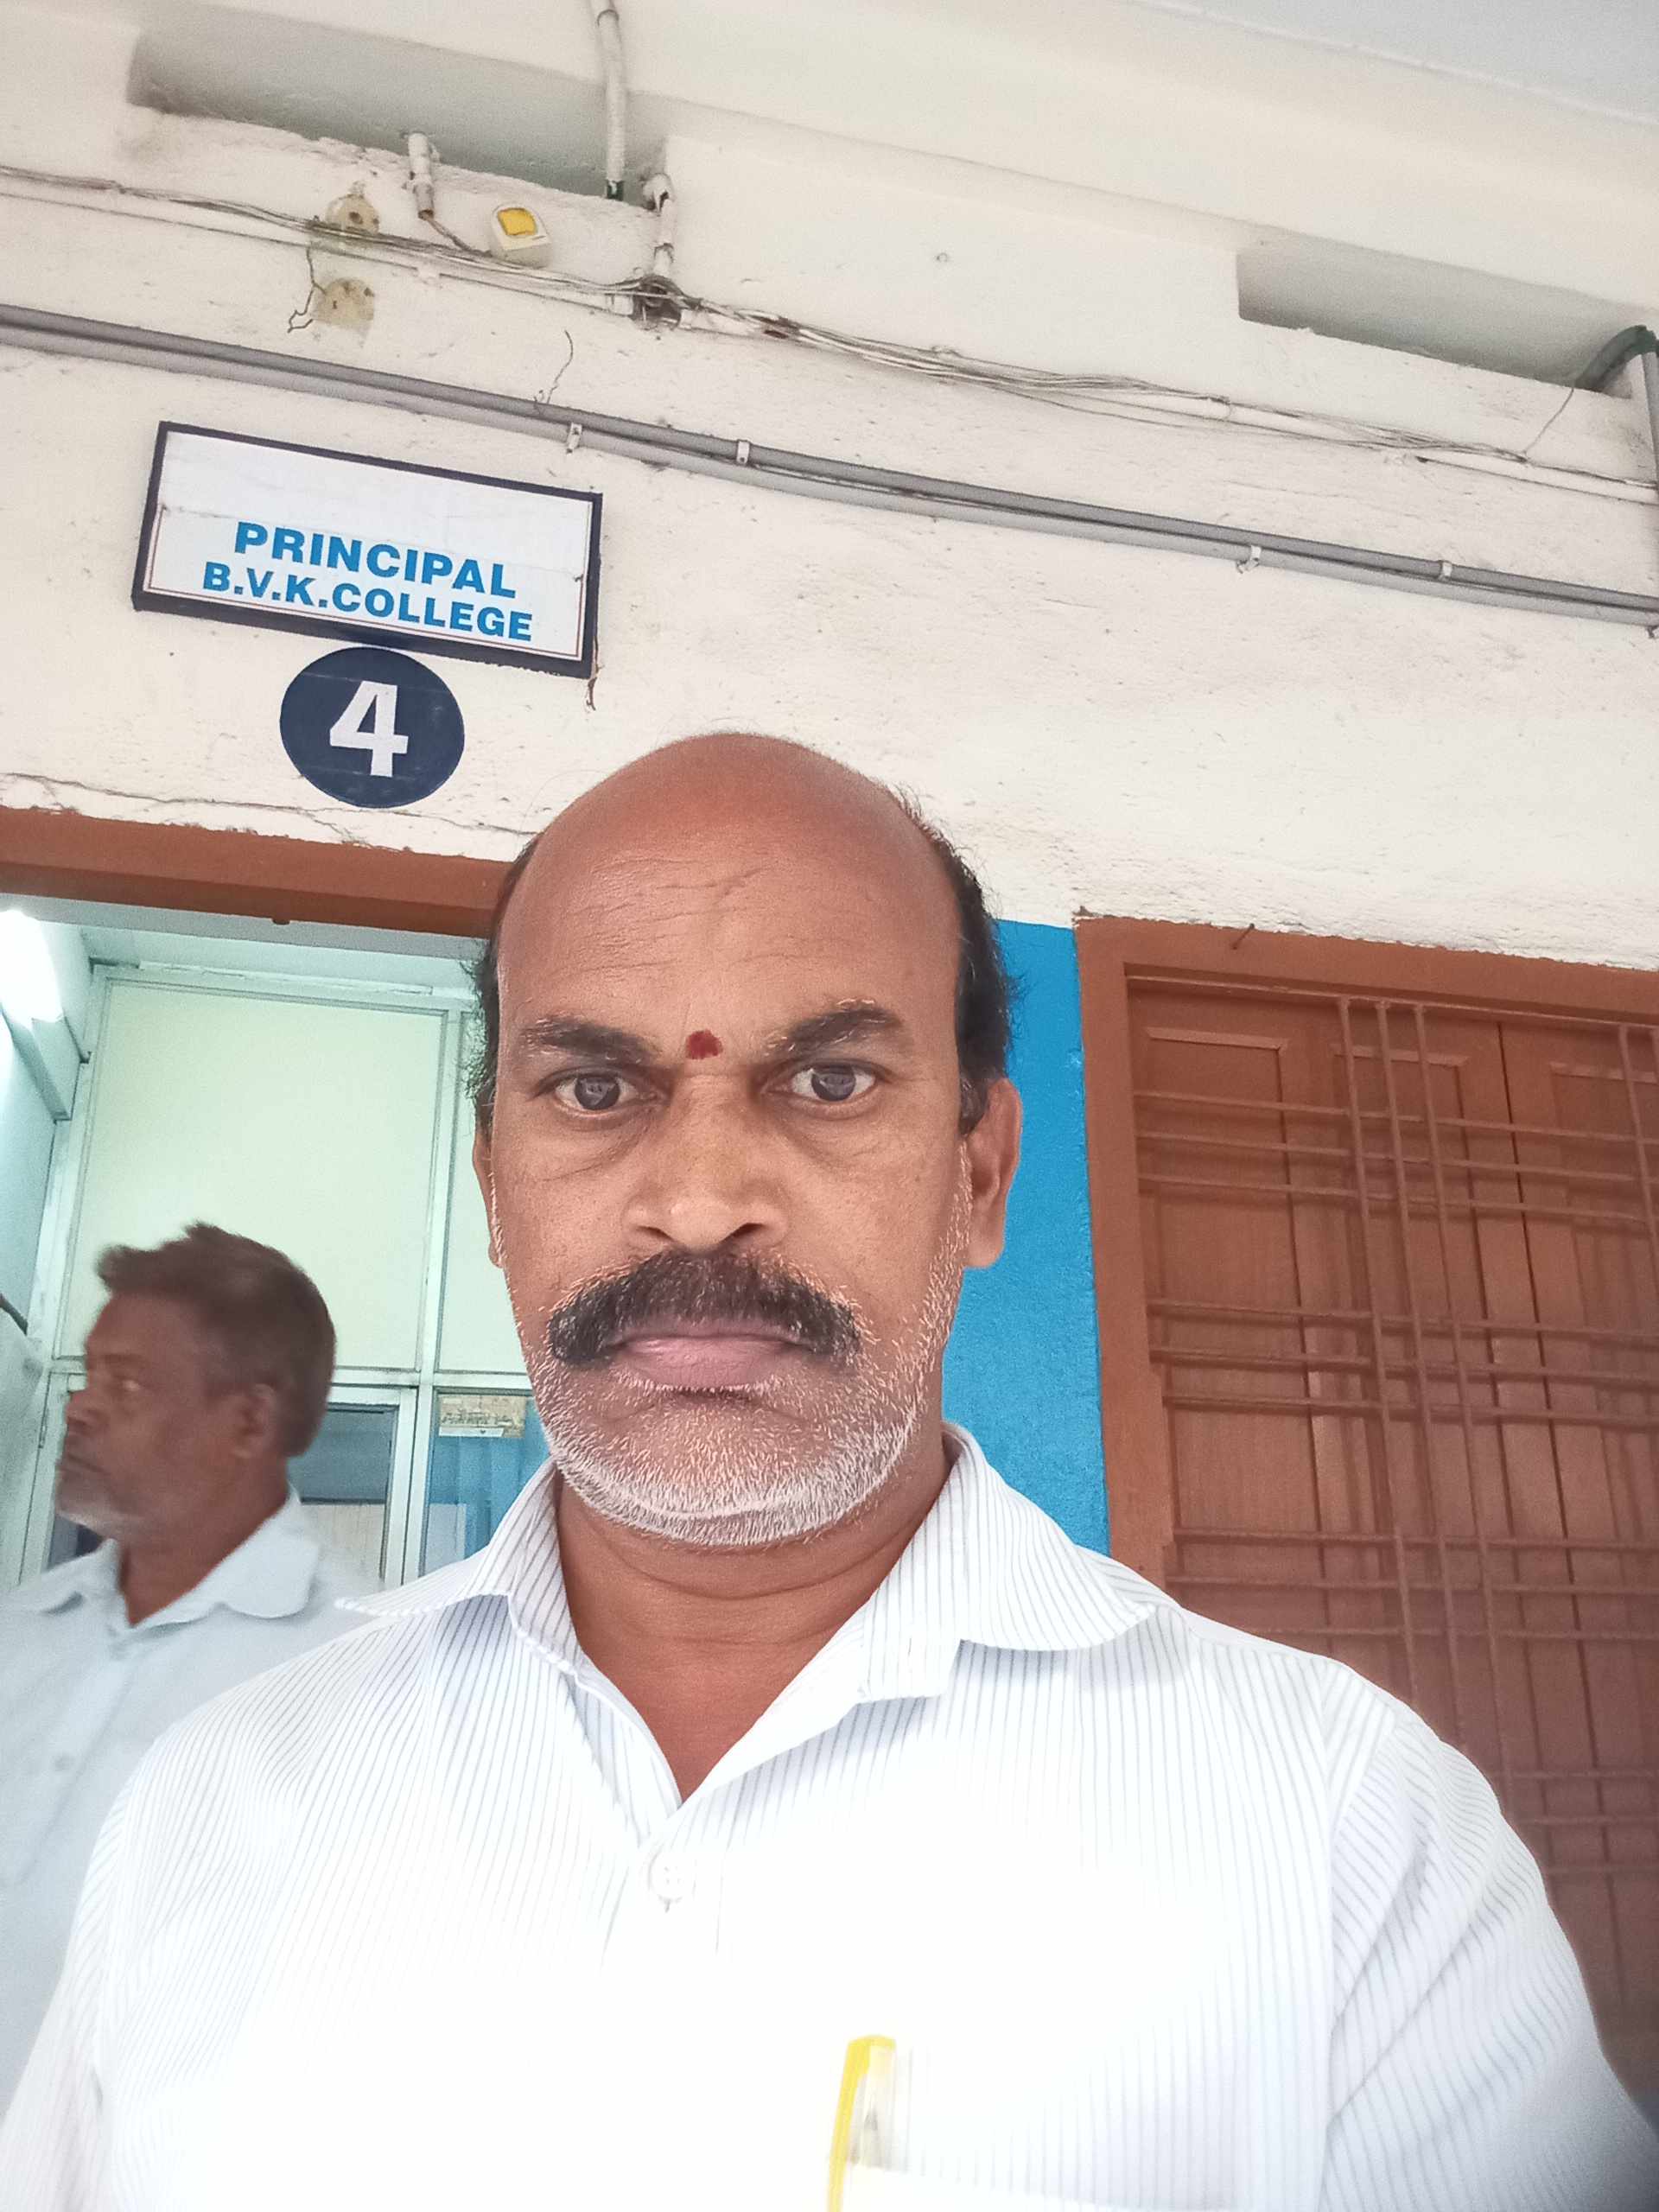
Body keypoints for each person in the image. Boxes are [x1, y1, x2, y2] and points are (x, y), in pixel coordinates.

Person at [3, 736, 1655, 2212]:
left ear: (980, 1177)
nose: (700, 1196)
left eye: (831, 1081)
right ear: (497, 1189)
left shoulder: (1347, 1833)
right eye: (595, 1088)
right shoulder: (219, 1794)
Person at [0, 1224, 374, 2112]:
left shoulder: (359, 1670)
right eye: (88, 1375)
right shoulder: (21, 1631)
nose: (80, 1409)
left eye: (127, 1383)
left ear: (248, 1422)